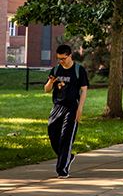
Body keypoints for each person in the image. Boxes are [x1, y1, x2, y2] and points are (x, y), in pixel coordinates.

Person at [44, 45, 89, 178]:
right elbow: (47, 89)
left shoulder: (78, 70)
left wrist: (80, 109)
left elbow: (84, 90)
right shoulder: (56, 69)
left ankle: (62, 169)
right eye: (59, 59)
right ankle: (68, 156)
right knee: (53, 135)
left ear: (70, 56)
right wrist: (50, 82)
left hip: (72, 106)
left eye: (63, 58)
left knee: (66, 137)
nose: (61, 61)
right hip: (57, 106)